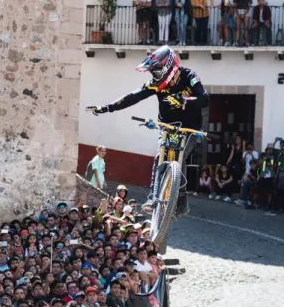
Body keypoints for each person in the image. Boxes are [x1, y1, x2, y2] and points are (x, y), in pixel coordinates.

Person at [87, 46, 209, 207]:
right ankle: (152, 198)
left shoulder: (190, 76)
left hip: (190, 128)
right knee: (159, 157)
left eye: (156, 71)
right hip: (167, 126)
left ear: (168, 67)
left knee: (181, 156)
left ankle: (180, 199)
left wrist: (185, 100)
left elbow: (204, 98)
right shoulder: (155, 84)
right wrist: (107, 107)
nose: (155, 76)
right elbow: (132, 97)